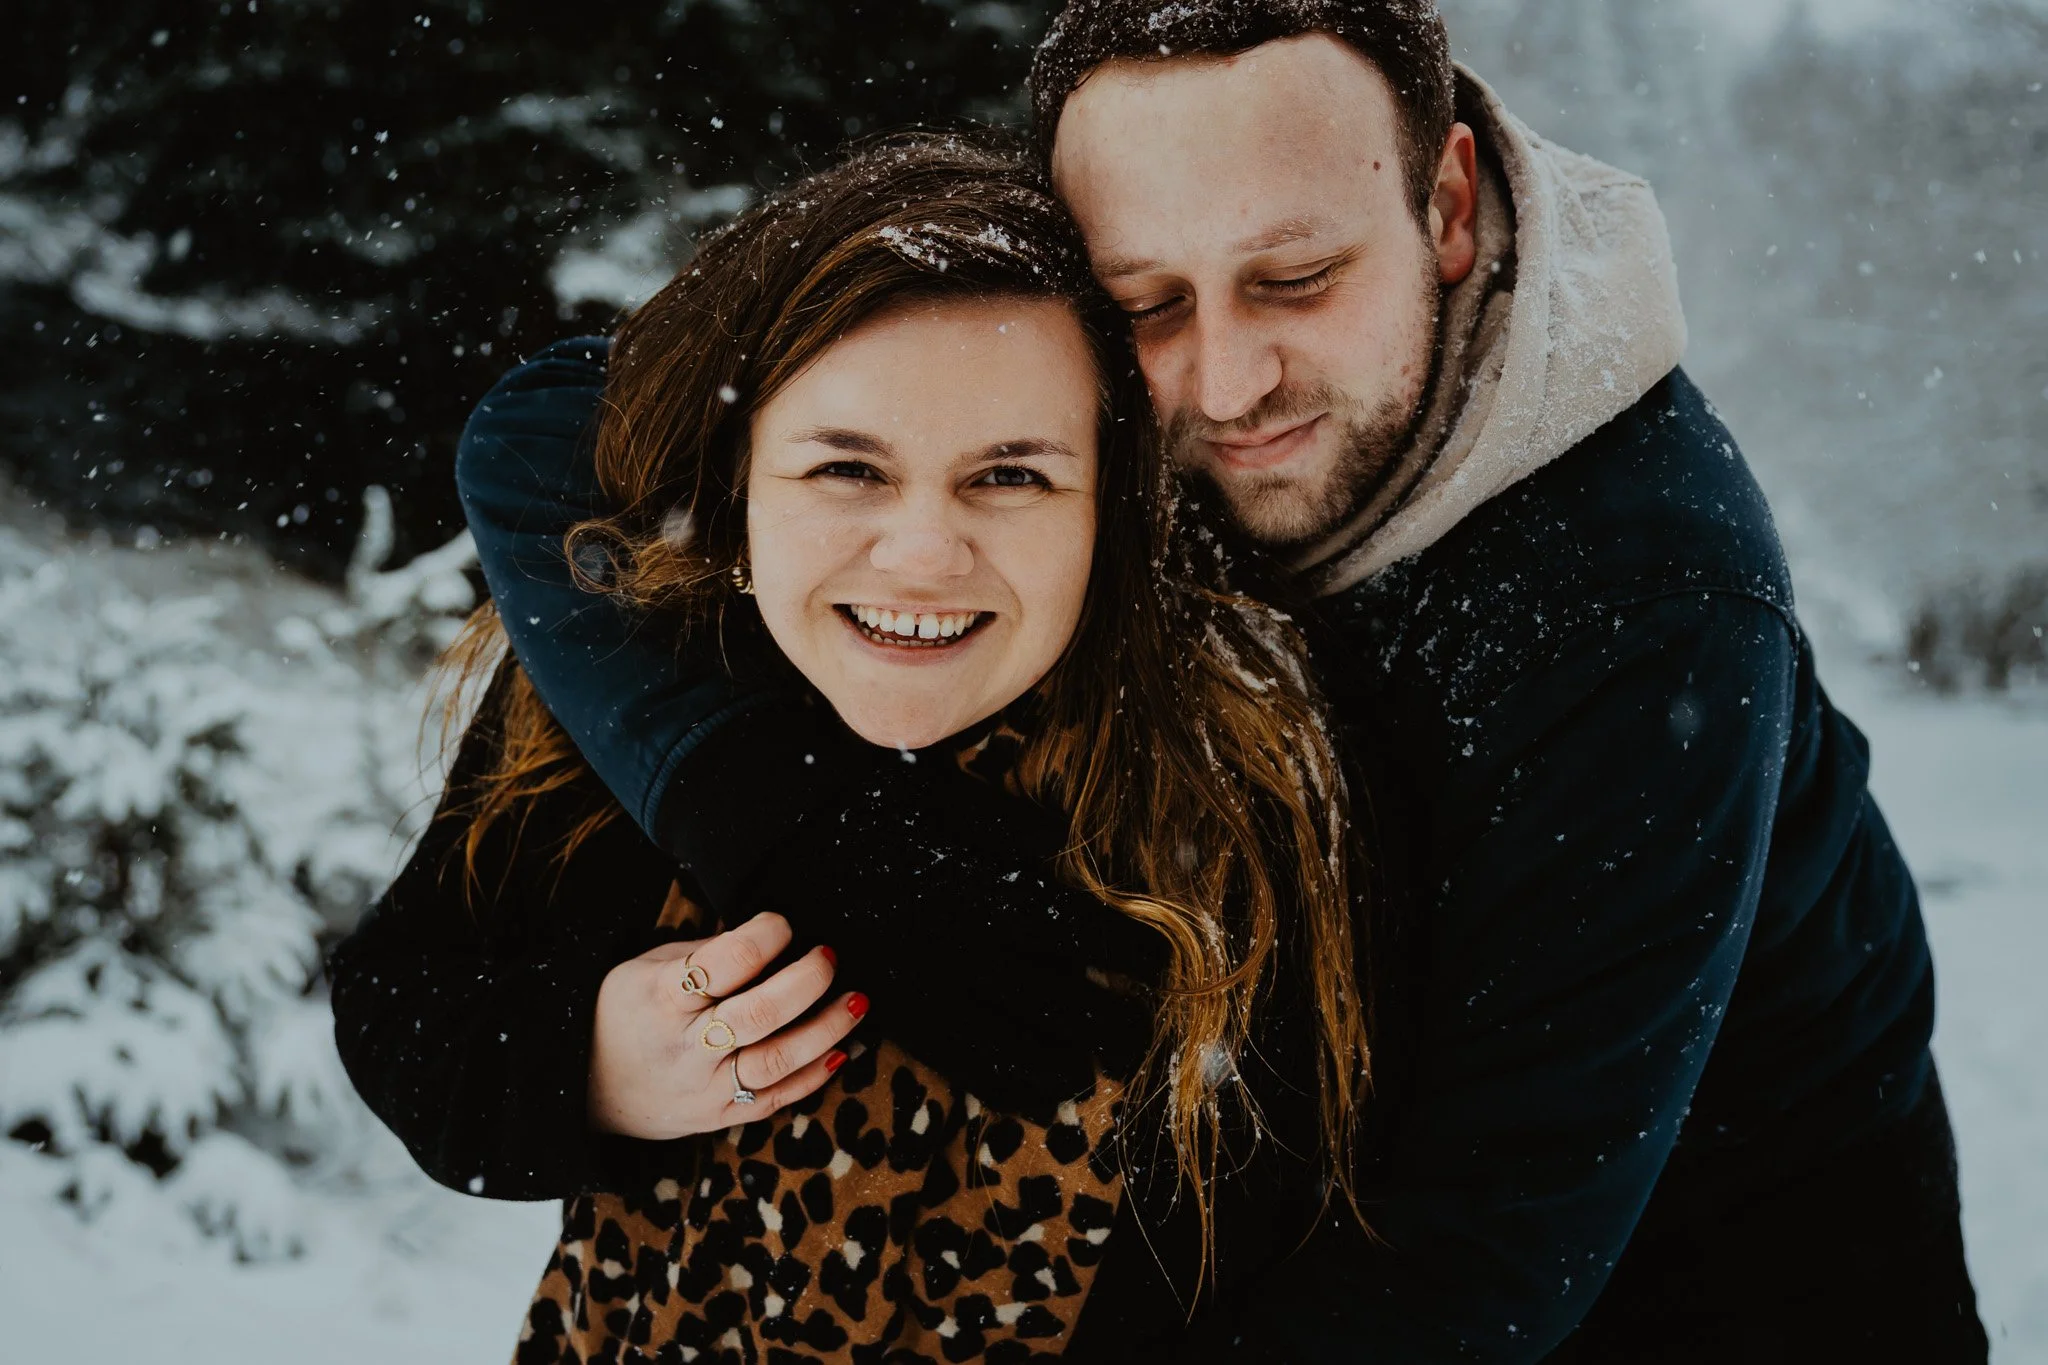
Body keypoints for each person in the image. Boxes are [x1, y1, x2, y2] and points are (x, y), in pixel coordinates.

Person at [435, 3, 1990, 1361]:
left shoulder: (1637, 604)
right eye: (1147, 304)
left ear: (1449, 204)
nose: (1230, 384)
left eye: (1297, 278)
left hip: (1720, 1283)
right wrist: (785, 814)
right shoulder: (1061, 397)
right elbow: (543, 432)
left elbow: (1476, 1257)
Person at [331, 132, 1379, 1362]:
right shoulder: (633, 681)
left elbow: (1346, 1248)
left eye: (1010, 476)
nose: (922, 553)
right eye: (846, 468)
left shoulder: (1243, 773)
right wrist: (593, 1064)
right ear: (743, 481)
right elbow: (403, 1005)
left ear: (1113, 496)